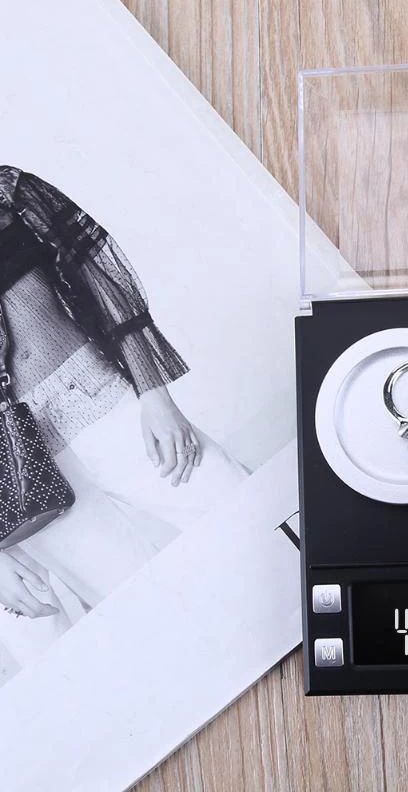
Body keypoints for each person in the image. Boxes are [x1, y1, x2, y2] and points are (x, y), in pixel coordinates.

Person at [0, 165, 247, 674]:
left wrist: (153, 392)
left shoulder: (10, 190)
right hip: (19, 472)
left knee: (242, 514)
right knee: (139, 607)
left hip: (99, 399)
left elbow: (99, 277)